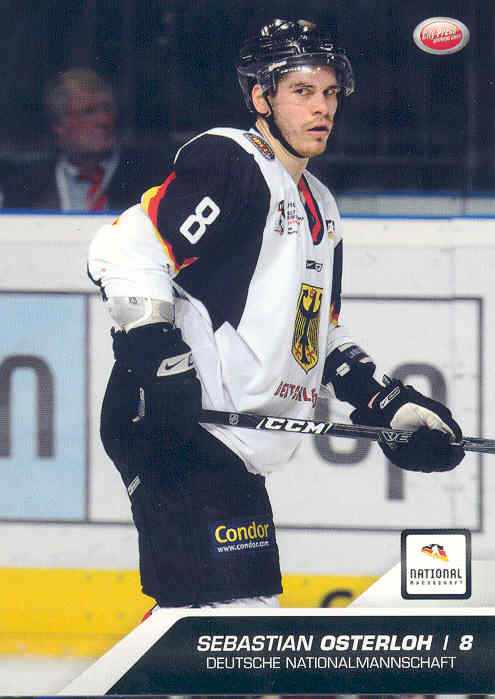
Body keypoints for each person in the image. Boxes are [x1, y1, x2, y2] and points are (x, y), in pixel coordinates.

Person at [87, 19, 465, 609]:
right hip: (176, 426)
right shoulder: (232, 161)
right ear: (261, 98)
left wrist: (386, 403)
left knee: (211, 624)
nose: (323, 108)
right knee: (232, 622)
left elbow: (316, 332)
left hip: (228, 443)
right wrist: (159, 355)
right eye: (302, 91)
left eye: (330, 92)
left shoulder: (321, 205)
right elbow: (126, 249)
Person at [3, 69, 165, 211]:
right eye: (89, 111)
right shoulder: (25, 188)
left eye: (107, 109)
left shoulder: (151, 180)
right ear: (59, 124)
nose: (104, 120)